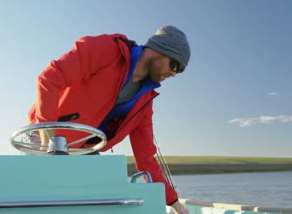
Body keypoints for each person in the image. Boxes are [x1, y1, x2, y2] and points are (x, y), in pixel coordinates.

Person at [27, 25, 190, 214]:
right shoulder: (108, 50)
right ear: (159, 51)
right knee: (45, 203)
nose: (173, 74)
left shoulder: (145, 102)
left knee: (104, 201)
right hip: (44, 137)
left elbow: (145, 158)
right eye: (175, 65)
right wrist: (50, 143)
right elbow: (49, 79)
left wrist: (175, 204)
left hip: (85, 152)